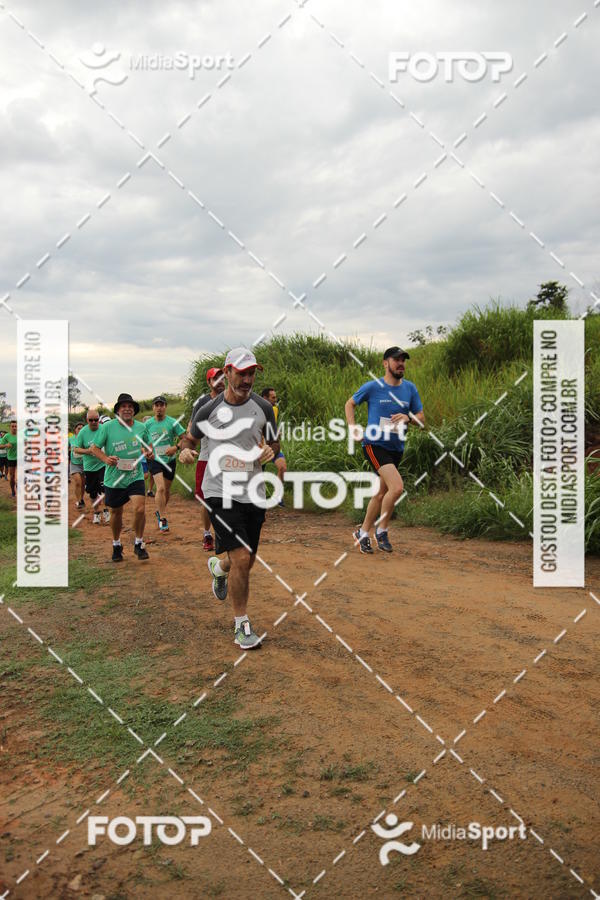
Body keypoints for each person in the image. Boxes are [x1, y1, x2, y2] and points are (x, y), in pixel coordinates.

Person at [179, 348, 279, 649]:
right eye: (241, 373)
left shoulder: (263, 408)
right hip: (218, 491)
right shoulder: (208, 410)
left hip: (253, 492)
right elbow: (189, 438)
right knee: (242, 557)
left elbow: (274, 442)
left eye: (251, 373)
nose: (247, 379)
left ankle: (219, 569)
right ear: (227, 372)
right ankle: (241, 624)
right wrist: (184, 449)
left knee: (244, 562)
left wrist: (271, 453)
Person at [345, 346, 424, 554]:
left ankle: (362, 533)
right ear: (385, 363)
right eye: (396, 359)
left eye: (403, 360)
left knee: (380, 493)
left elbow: (422, 419)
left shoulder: (410, 389)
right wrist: (353, 428)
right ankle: (382, 530)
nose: (401, 364)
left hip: (396, 448)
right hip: (374, 445)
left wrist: (409, 418)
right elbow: (350, 404)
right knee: (396, 488)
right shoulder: (373, 387)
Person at [89, 393, 152, 562]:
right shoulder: (107, 428)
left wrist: (149, 452)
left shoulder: (141, 427)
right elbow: (94, 448)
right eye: (123, 406)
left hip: (135, 475)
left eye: (130, 406)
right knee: (116, 512)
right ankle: (116, 544)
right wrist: (106, 459)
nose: (127, 409)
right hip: (114, 478)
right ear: (117, 410)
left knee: (139, 508)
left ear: (133, 410)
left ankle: (139, 543)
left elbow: (148, 446)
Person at [186, 367, 225, 551]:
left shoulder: (232, 400)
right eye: (215, 379)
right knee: (205, 500)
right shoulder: (202, 402)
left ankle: (223, 534)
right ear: (209, 382)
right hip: (206, 457)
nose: (220, 381)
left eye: (222, 377)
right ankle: (207, 534)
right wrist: (188, 448)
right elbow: (192, 428)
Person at [144, 396, 185, 533]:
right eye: (157, 405)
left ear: (165, 407)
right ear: (153, 408)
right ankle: (163, 518)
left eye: (162, 405)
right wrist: (145, 451)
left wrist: (176, 448)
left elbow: (185, 439)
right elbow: (139, 441)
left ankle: (160, 511)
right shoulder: (147, 424)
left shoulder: (172, 422)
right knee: (160, 488)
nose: (159, 408)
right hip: (154, 460)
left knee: (166, 491)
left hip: (169, 460)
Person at [72, 408, 110, 524]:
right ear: (87, 420)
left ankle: (106, 511)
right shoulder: (83, 432)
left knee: (105, 488)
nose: (94, 422)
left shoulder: (104, 429)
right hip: (89, 467)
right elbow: (76, 449)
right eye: (91, 420)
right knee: (92, 492)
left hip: (102, 464)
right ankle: (97, 512)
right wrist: (88, 451)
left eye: (96, 420)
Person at [260, 387, 286, 506]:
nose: (276, 400)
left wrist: (276, 433)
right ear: (265, 398)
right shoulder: (256, 410)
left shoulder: (274, 409)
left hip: (272, 445)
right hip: (260, 447)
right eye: (273, 397)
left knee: (282, 467)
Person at [69, 422, 86, 508]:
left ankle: (81, 499)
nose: (80, 430)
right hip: (74, 463)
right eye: (78, 428)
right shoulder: (71, 439)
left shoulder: (86, 438)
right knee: (78, 482)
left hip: (85, 463)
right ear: (75, 430)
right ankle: (79, 501)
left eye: (82, 428)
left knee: (83, 483)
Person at [0, 420, 18, 497]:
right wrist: (6, 445)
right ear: (10, 427)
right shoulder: (7, 436)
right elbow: (0, 446)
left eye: (15, 426)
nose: (14, 428)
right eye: (12, 426)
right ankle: (13, 491)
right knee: (12, 476)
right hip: (11, 458)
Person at [141, 416, 156, 497]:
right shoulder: (141, 433)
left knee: (153, 474)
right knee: (145, 475)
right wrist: (144, 451)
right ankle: (136, 487)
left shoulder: (153, 432)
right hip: (143, 457)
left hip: (152, 455)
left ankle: (149, 490)